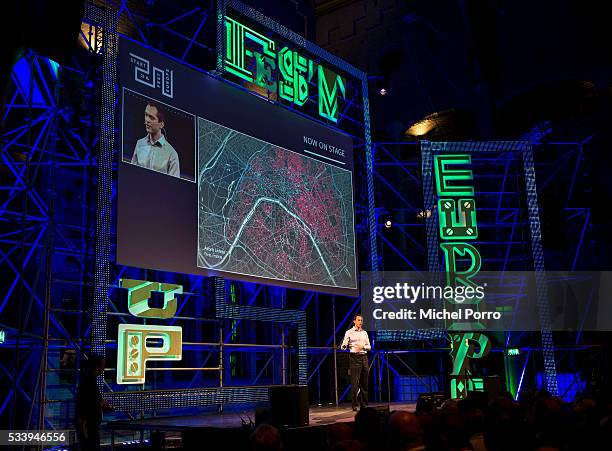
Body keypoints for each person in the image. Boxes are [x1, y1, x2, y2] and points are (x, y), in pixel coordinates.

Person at [131, 102, 181, 177]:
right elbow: (131, 173)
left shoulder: (172, 154)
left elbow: (174, 186)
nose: (147, 120)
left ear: (161, 124)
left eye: (151, 117)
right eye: (146, 115)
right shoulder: (139, 144)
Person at [75, 355, 113, 451]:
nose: (104, 369)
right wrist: (102, 405)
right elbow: (91, 402)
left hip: (90, 423)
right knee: (91, 446)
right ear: (97, 366)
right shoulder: (89, 382)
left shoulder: (89, 380)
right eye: (103, 366)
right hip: (88, 424)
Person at [341, 314, 371, 411]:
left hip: (364, 358)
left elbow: (369, 347)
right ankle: (355, 405)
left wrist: (363, 347)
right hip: (354, 358)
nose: (360, 322)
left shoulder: (364, 333)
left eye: (361, 320)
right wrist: (344, 346)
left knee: (364, 383)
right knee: (355, 383)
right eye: (359, 320)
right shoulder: (349, 332)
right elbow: (344, 344)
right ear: (354, 321)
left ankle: (364, 405)